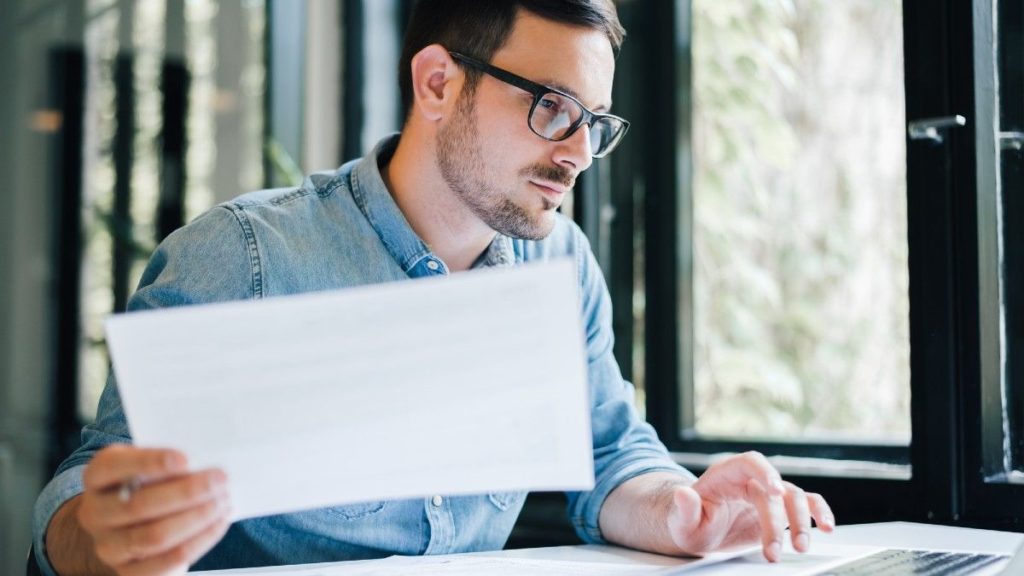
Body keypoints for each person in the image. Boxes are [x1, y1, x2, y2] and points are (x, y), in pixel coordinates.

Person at [32, 1, 835, 574]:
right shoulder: (244, 256)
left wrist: (685, 512)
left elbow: (610, 451)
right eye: (554, 109)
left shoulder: (561, 265)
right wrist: (93, 541)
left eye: (596, 122)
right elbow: (92, 491)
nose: (580, 153)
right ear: (438, 84)